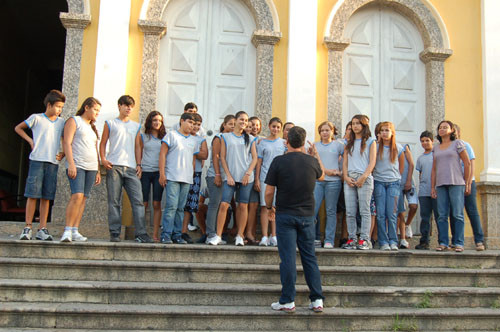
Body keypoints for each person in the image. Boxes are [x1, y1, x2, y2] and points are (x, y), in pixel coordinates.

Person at [265, 126, 325, 313]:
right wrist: (315, 155)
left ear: (287, 141)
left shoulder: (278, 161)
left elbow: (269, 191)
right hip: (307, 216)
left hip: (285, 215)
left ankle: (288, 300)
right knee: (309, 258)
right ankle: (317, 300)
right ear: (303, 141)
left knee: (288, 258)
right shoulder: (311, 161)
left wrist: (269, 207)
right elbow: (322, 176)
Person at [100, 95, 153, 243]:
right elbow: (103, 142)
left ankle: (141, 233)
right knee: (114, 201)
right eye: (126, 105)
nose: (129, 108)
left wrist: (138, 164)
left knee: (138, 201)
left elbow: (137, 146)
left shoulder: (135, 126)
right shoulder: (110, 123)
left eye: (131, 106)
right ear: (119, 106)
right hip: (114, 166)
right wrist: (103, 159)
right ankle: (115, 233)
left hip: (131, 167)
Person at [16, 89, 66, 241]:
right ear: (49, 105)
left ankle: (42, 228)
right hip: (37, 160)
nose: (59, 110)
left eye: (61, 108)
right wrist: (30, 141)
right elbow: (18, 128)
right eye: (57, 106)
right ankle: (28, 227)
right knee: (33, 194)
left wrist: (63, 152)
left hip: (52, 162)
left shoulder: (62, 122)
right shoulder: (36, 118)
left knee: (47, 196)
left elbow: (65, 138)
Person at [209, 111, 258, 246]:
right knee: (224, 204)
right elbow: (222, 157)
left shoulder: (251, 138)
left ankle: (240, 236)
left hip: (246, 178)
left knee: (243, 205)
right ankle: (218, 235)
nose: (243, 122)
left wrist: (248, 174)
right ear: (235, 120)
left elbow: (254, 158)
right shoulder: (225, 137)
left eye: (246, 120)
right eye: (241, 119)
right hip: (230, 177)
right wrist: (228, 175)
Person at [60, 97, 102, 242]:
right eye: (95, 109)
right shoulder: (74, 121)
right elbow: (67, 142)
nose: (97, 113)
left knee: (83, 198)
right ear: (86, 108)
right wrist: (71, 163)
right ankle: (67, 230)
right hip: (77, 165)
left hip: (91, 167)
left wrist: (97, 169)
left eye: (98, 110)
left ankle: (75, 230)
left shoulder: (92, 128)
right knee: (76, 196)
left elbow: (95, 149)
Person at [159, 113, 200, 244]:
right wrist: (162, 174)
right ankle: (166, 234)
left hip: (186, 179)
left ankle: (177, 234)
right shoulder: (171, 135)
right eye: (189, 122)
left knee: (181, 208)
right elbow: (162, 155)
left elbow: (193, 160)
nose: (191, 126)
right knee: (171, 206)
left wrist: (191, 175)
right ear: (182, 121)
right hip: (172, 176)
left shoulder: (194, 140)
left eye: (194, 124)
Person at [431, 120, 470, 252]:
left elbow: (467, 163)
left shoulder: (458, 143)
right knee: (442, 215)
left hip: (456, 183)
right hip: (441, 184)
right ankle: (443, 242)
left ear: (452, 130)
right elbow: (434, 169)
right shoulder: (436, 147)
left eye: (445, 127)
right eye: (440, 128)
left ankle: (458, 242)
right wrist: (432, 187)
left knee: (457, 214)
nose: (442, 129)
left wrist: (467, 182)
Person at [342, 115, 376, 250]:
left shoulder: (370, 142)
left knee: (364, 210)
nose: (355, 126)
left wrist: (363, 177)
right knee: (350, 211)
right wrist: (345, 176)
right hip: (350, 178)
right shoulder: (348, 143)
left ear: (364, 125)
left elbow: (372, 161)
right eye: (353, 123)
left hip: (365, 179)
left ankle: (364, 239)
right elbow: (345, 162)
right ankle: (352, 238)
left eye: (358, 123)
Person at [451, 124, 485, 251]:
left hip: (468, 182)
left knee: (472, 211)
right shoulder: (447, 148)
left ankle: (479, 240)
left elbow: (471, 165)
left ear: (458, 133)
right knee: (454, 212)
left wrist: (468, 183)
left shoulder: (466, 145)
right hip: (454, 183)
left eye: (454, 131)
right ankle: (455, 241)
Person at [373, 122, 405, 251]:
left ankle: (393, 240)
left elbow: (402, 166)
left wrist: (396, 177)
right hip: (379, 182)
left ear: (392, 133)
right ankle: (383, 241)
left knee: (392, 213)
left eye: (387, 130)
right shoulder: (375, 147)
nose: (385, 133)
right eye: (382, 131)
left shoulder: (398, 147)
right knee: (380, 214)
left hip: (393, 183)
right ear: (379, 133)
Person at [311, 121, 344, 249]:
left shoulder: (339, 145)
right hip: (318, 181)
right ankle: (314, 238)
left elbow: (346, 159)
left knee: (331, 211)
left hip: (334, 183)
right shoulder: (315, 145)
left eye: (327, 130)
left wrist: (341, 172)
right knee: (313, 210)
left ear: (332, 131)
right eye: (322, 130)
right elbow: (313, 162)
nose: (325, 132)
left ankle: (329, 240)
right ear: (319, 132)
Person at [254, 117, 286, 246]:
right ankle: (264, 236)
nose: (275, 129)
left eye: (278, 127)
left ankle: (274, 235)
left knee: (275, 207)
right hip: (265, 177)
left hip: (280, 179)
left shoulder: (284, 143)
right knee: (264, 206)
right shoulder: (262, 142)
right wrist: (256, 178)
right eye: (273, 126)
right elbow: (259, 162)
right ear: (269, 126)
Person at [205, 115, 235, 244]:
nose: (233, 126)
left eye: (234, 124)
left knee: (223, 206)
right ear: (224, 125)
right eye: (230, 124)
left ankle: (218, 234)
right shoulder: (219, 137)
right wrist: (217, 174)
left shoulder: (233, 138)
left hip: (227, 178)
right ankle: (210, 234)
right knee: (214, 205)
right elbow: (216, 157)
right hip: (215, 175)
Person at [136, 111, 166, 242]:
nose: (157, 123)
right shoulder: (143, 137)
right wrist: (139, 166)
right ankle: (141, 232)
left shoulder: (165, 138)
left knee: (156, 203)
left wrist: (163, 173)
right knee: (144, 203)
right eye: (154, 120)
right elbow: (139, 151)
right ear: (150, 121)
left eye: (159, 120)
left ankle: (155, 234)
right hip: (145, 172)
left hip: (159, 173)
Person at [181, 113, 208, 243]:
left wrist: (192, 151)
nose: (196, 127)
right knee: (179, 203)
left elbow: (204, 154)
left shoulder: (200, 139)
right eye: (194, 124)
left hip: (195, 174)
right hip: (181, 173)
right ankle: (175, 229)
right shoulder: (180, 137)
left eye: (198, 125)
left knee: (190, 205)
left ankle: (184, 231)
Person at [415, 130, 438, 250]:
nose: (425, 143)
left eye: (427, 141)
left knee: (440, 216)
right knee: (425, 217)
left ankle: (442, 241)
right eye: (422, 141)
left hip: (437, 191)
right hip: (424, 192)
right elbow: (420, 174)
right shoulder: (420, 159)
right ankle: (424, 241)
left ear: (432, 141)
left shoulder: (437, 155)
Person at [245, 116, 263, 243]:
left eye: (257, 125)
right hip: (245, 175)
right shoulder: (244, 139)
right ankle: (242, 232)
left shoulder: (262, 141)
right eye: (252, 125)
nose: (255, 127)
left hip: (258, 176)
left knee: (254, 205)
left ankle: (250, 233)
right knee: (243, 205)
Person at [397, 143, 418, 249]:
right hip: (397, 184)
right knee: (400, 211)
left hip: (408, 182)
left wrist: (409, 180)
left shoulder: (403, 147)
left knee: (413, 206)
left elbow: (411, 164)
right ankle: (402, 237)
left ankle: (407, 224)